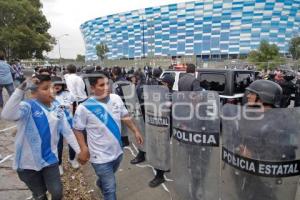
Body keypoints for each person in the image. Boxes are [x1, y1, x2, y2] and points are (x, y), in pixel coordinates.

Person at [1, 74, 81, 200]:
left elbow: (67, 131)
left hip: (50, 159)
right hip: (27, 163)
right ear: (34, 93)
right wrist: (21, 88)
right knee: (39, 195)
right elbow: (7, 114)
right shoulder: (27, 106)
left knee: (57, 192)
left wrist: (79, 152)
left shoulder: (58, 108)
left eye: (52, 88)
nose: (51, 91)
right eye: (45, 88)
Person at [73, 72, 143, 200]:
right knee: (110, 189)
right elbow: (77, 129)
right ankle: (105, 187)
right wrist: (83, 148)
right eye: (101, 85)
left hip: (117, 152)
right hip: (99, 157)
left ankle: (100, 183)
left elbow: (124, 116)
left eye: (107, 84)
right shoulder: (84, 108)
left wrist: (135, 131)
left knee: (107, 180)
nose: (107, 87)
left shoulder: (116, 98)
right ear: (93, 88)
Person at [148, 74, 174, 188]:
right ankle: (165, 166)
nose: (159, 84)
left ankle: (159, 176)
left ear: (166, 84)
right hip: (164, 126)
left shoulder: (169, 96)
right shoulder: (170, 94)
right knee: (164, 148)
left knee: (160, 149)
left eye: (161, 83)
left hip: (164, 127)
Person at [52, 77, 79, 175]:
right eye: (54, 84)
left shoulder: (69, 94)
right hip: (56, 125)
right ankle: (59, 164)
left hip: (69, 123)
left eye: (59, 84)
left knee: (73, 143)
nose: (57, 86)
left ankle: (72, 159)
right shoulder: (48, 96)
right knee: (58, 146)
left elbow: (75, 106)